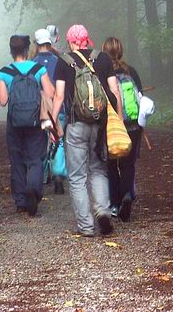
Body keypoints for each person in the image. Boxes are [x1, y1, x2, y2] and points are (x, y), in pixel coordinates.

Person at [51, 24, 122, 237]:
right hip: (100, 125)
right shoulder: (102, 58)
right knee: (99, 170)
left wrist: (53, 121)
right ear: (87, 39)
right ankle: (103, 211)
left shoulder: (63, 62)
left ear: (71, 41)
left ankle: (86, 226)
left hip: (76, 125)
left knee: (77, 177)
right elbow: (114, 91)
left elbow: (59, 96)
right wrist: (117, 120)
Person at [0, 35, 57, 216]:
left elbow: (2, 100)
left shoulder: (4, 72)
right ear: (26, 50)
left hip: (14, 122)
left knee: (16, 160)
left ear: (11, 50)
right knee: (35, 159)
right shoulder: (39, 69)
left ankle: (21, 201)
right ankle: (34, 190)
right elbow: (51, 92)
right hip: (36, 121)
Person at [101, 37, 144, 223]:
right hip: (132, 124)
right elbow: (141, 97)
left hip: (110, 125)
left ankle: (115, 203)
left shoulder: (101, 71)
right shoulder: (130, 71)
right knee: (128, 164)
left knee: (110, 166)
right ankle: (127, 194)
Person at [33, 28, 65, 194]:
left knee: (41, 140)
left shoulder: (32, 63)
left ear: (36, 44)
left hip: (40, 109)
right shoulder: (59, 61)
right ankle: (58, 173)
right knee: (58, 139)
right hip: (59, 107)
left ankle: (43, 174)